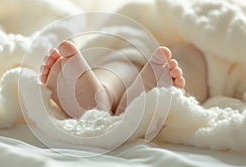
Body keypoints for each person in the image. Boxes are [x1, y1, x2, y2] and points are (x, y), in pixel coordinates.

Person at [39, 40, 208, 118]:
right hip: (164, 31)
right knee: (129, 56)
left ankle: (105, 91)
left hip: (185, 39)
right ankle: (103, 94)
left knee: (124, 61)